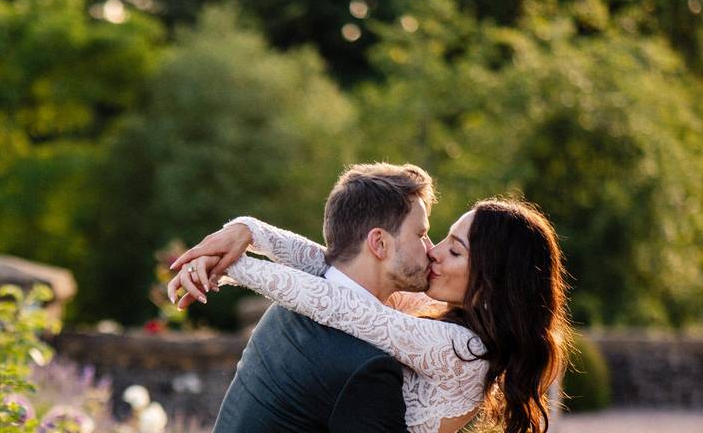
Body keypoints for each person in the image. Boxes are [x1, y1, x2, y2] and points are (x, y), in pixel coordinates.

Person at [169, 169, 570, 433]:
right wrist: (247, 231)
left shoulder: (464, 349)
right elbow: (331, 268)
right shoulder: (448, 325)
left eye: (455, 250)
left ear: (490, 282)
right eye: (434, 236)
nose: (434, 251)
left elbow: (343, 305)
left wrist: (234, 267)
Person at [170, 162, 438, 432]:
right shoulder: (366, 367)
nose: (431, 249)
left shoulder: (285, 314)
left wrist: (246, 229)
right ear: (379, 243)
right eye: (422, 235)